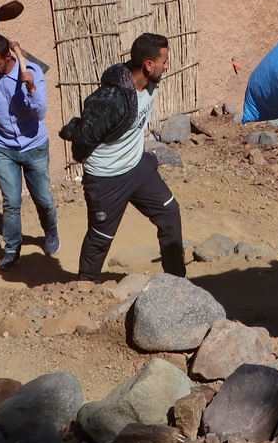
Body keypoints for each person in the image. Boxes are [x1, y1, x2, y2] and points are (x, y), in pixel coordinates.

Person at [59, 32, 185, 282]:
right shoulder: (111, 101)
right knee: (101, 237)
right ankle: (85, 288)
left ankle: (176, 282)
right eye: (164, 61)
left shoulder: (150, 80)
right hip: (107, 179)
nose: (167, 65)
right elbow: (82, 142)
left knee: (170, 213)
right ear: (148, 65)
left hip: (137, 168)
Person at [0, 33, 60, 271]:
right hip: (2, 147)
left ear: (9, 56)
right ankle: (11, 249)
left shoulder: (32, 72)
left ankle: (50, 231)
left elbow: (39, 114)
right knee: (11, 201)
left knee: (42, 198)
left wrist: (30, 87)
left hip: (34, 146)